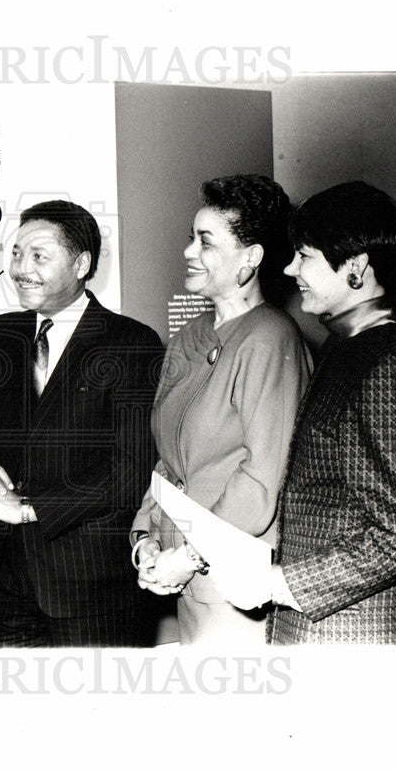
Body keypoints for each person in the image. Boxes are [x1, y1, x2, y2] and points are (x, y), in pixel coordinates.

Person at [0, 200, 164, 647]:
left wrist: (26, 508)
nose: (20, 268)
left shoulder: (131, 343)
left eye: (38, 256)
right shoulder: (3, 334)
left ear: (81, 264)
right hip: (4, 583)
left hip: (91, 591)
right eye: (16, 254)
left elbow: (129, 472)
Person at [214, 181, 396, 644]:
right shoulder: (350, 347)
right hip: (331, 628)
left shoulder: (390, 364)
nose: (290, 268)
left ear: (355, 267)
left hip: (361, 637)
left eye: (305, 256)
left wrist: (279, 584)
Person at [130, 174, 312, 645]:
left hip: (235, 584)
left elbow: (263, 478)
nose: (189, 251)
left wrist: (187, 556)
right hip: (181, 574)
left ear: (250, 258)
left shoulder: (270, 338)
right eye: (191, 238)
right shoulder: (188, 336)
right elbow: (169, 463)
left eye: (206, 242)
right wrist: (145, 538)